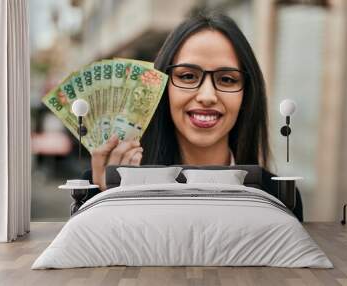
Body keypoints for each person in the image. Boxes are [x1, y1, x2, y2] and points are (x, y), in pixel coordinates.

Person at [84, 11, 303, 221]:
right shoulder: (97, 183)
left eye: (227, 79)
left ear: (246, 95)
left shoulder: (280, 194)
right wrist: (108, 201)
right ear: (161, 88)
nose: (207, 96)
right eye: (188, 76)